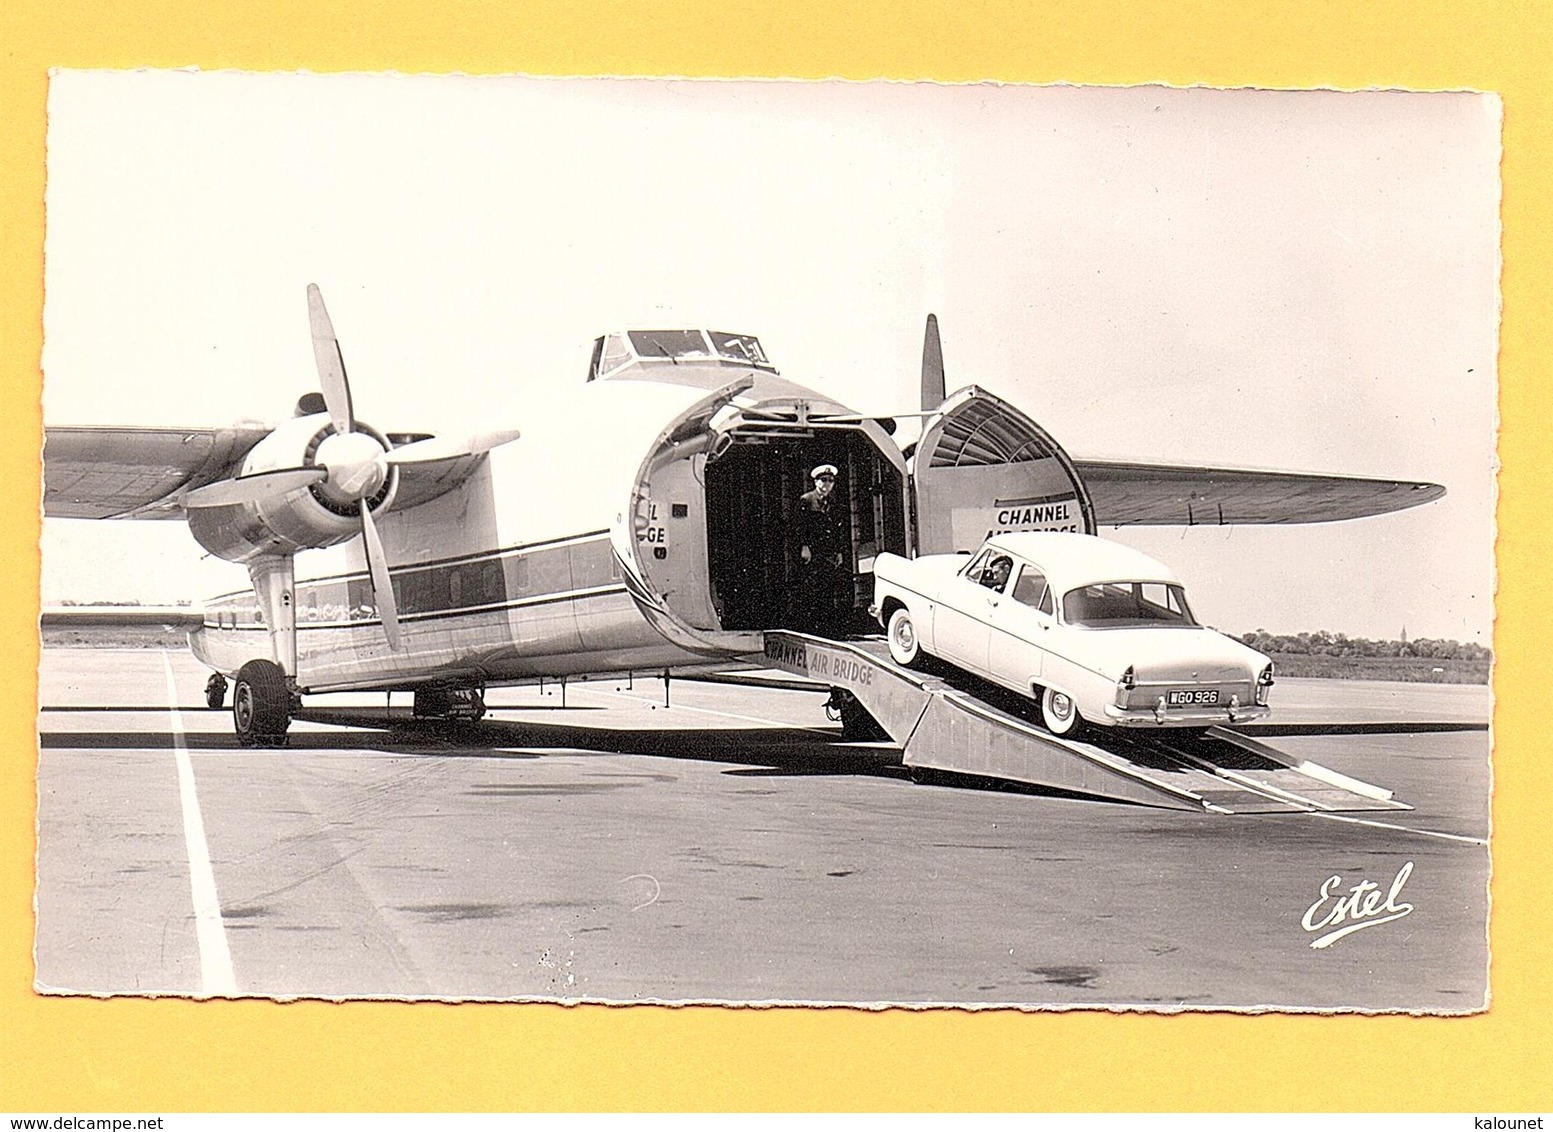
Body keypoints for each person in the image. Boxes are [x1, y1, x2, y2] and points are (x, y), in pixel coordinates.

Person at [796, 463, 849, 634]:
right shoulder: (807, 500)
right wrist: (804, 546)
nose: (827, 484)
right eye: (823, 480)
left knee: (828, 588)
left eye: (830, 481)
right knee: (812, 589)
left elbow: (837, 529)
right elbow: (799, 526)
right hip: (813, 552)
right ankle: (811, 627)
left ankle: (826, 628)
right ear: (816, 482)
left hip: (829, 553)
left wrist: (839, 551)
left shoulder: (832, 503)